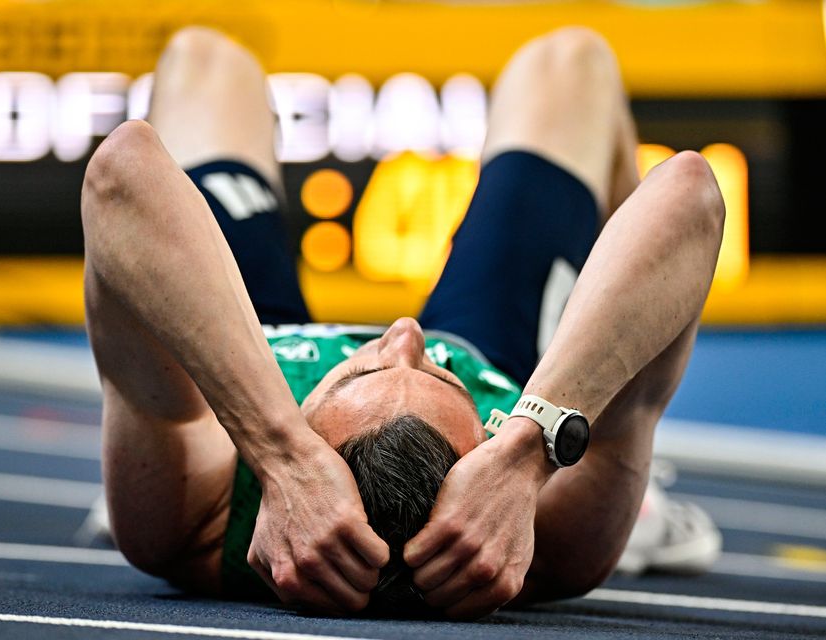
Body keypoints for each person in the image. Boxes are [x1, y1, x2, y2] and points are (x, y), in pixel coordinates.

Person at [79, 25, 725, 619]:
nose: (401, 333)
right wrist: (527, 453)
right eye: (444, 380)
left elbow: (124, 171)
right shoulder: (550, 536)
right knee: (570, 61)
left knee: (202, 57)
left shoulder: (195, 508)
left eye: (351, 373)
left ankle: (193, 445)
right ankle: (631, 489)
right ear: (480, 459)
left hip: (238, 358)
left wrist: (280, 454)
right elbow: (688, 195)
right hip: (492, 350)